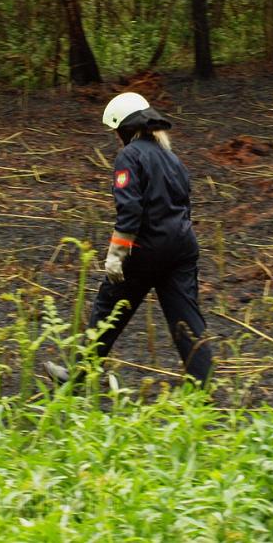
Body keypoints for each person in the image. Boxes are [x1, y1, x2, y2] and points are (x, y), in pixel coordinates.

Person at [45, 92, 213, 388]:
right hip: (183, 247)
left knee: (108, 309)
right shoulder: (172, 158)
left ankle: (77, 379)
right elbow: (185, 203)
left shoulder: (129, 156)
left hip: (146, 249)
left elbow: (131, 208)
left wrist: (116, 254)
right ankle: (203, 386)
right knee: (186, 317)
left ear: (124, 128)